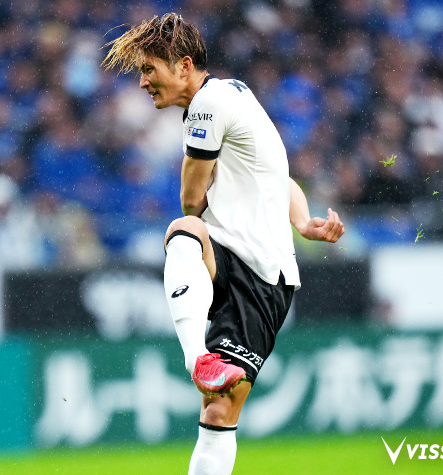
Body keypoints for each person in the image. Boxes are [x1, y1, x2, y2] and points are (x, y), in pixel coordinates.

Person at [103, 13, 345, 475]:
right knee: (185, 233)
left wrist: (298, 222)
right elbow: (275, 171)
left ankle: (201, 361)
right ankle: (200, 359)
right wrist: (302, 221)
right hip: (229, 257)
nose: (142, 82)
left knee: (219, 413)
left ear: (184, 66)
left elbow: (192, 199)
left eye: (149, 69)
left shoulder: (208, 105)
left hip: (262, 277)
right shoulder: (233, 95)